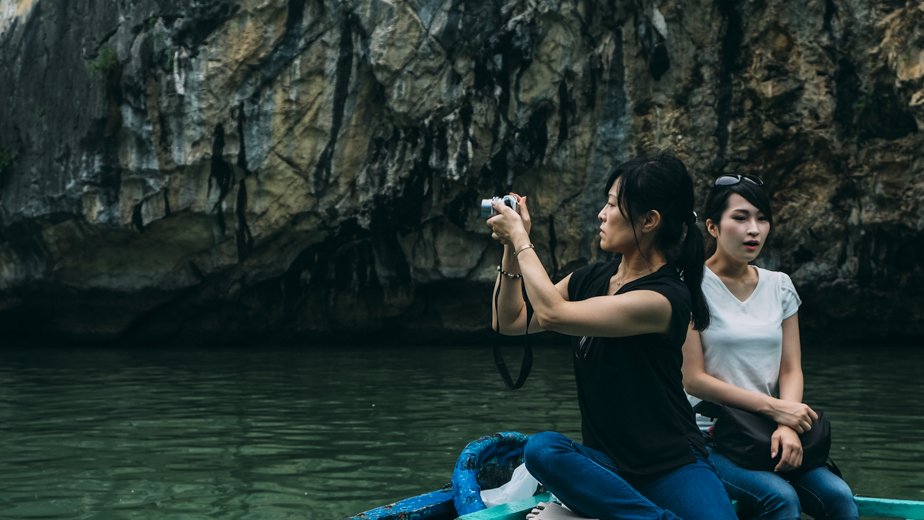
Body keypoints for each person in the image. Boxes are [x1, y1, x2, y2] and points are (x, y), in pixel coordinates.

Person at [487, 152, 736, 520]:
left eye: (613, 205)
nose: (602, 214)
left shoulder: (664, 298)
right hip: (608, 468)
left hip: (672, 465)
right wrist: (510, 248)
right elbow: (510, 321)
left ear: (649, 221)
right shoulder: (591, 279)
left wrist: (523, 240)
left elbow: (553, 314)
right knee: (542, 450)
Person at [681, 174, 859, 520]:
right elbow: (694, 379)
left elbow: (791, 369)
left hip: (770, 433)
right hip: (709, 438)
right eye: (741, 217)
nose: (755, 229)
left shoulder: (780, 286)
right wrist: (777, 410)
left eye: (762, 219)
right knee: (780, 499)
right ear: (712, 227)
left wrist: (788, 425)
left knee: (839, 498)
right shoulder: (689, 287)